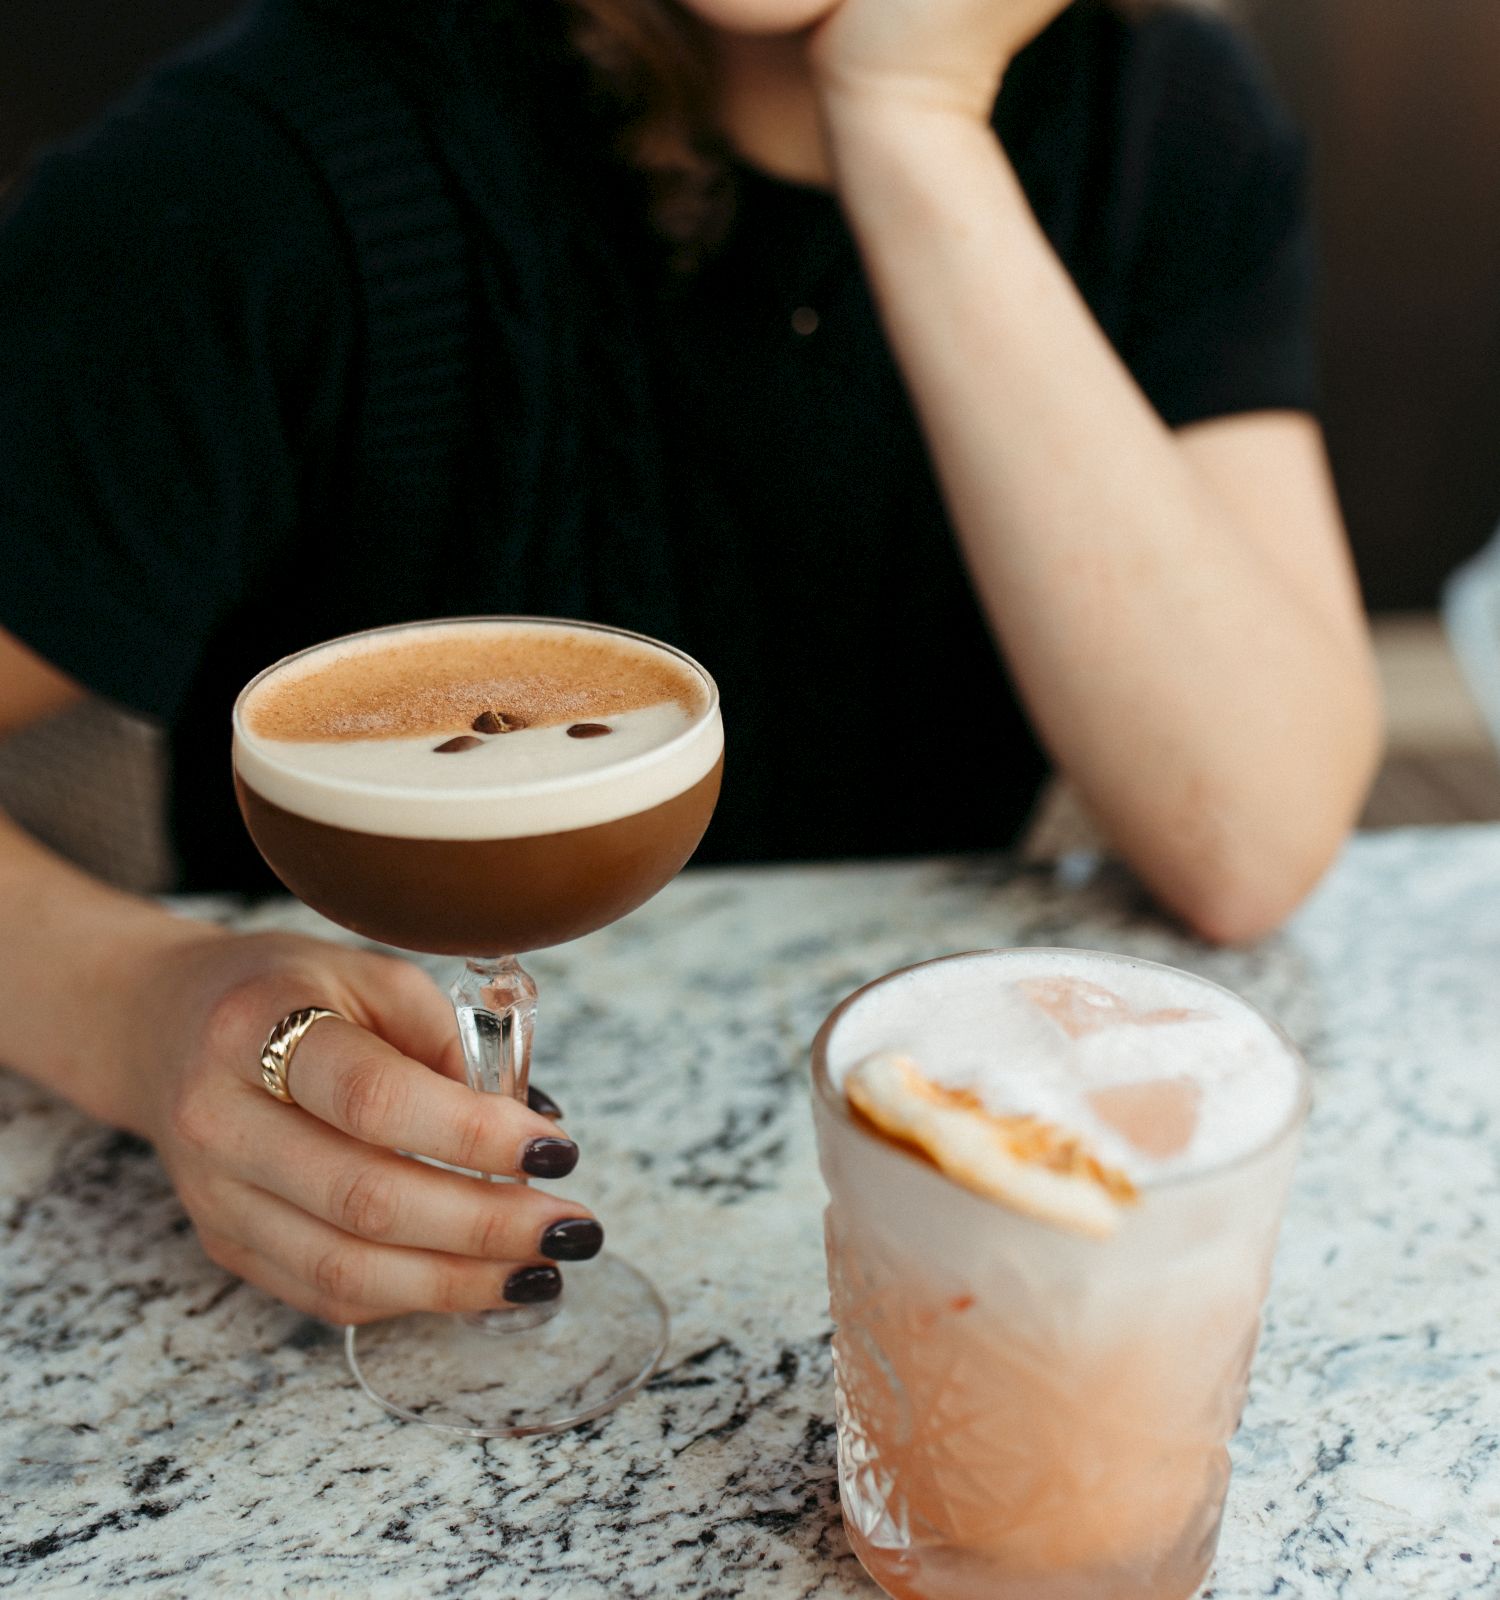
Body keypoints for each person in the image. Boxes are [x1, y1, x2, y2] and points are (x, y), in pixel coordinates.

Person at [0, 0, 1381, 1325]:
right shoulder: (275, 160)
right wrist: (135, 1004)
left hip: (891, 1223)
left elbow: (1246, 829)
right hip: (309, 1280)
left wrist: (906, 114)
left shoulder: (1158, 116)